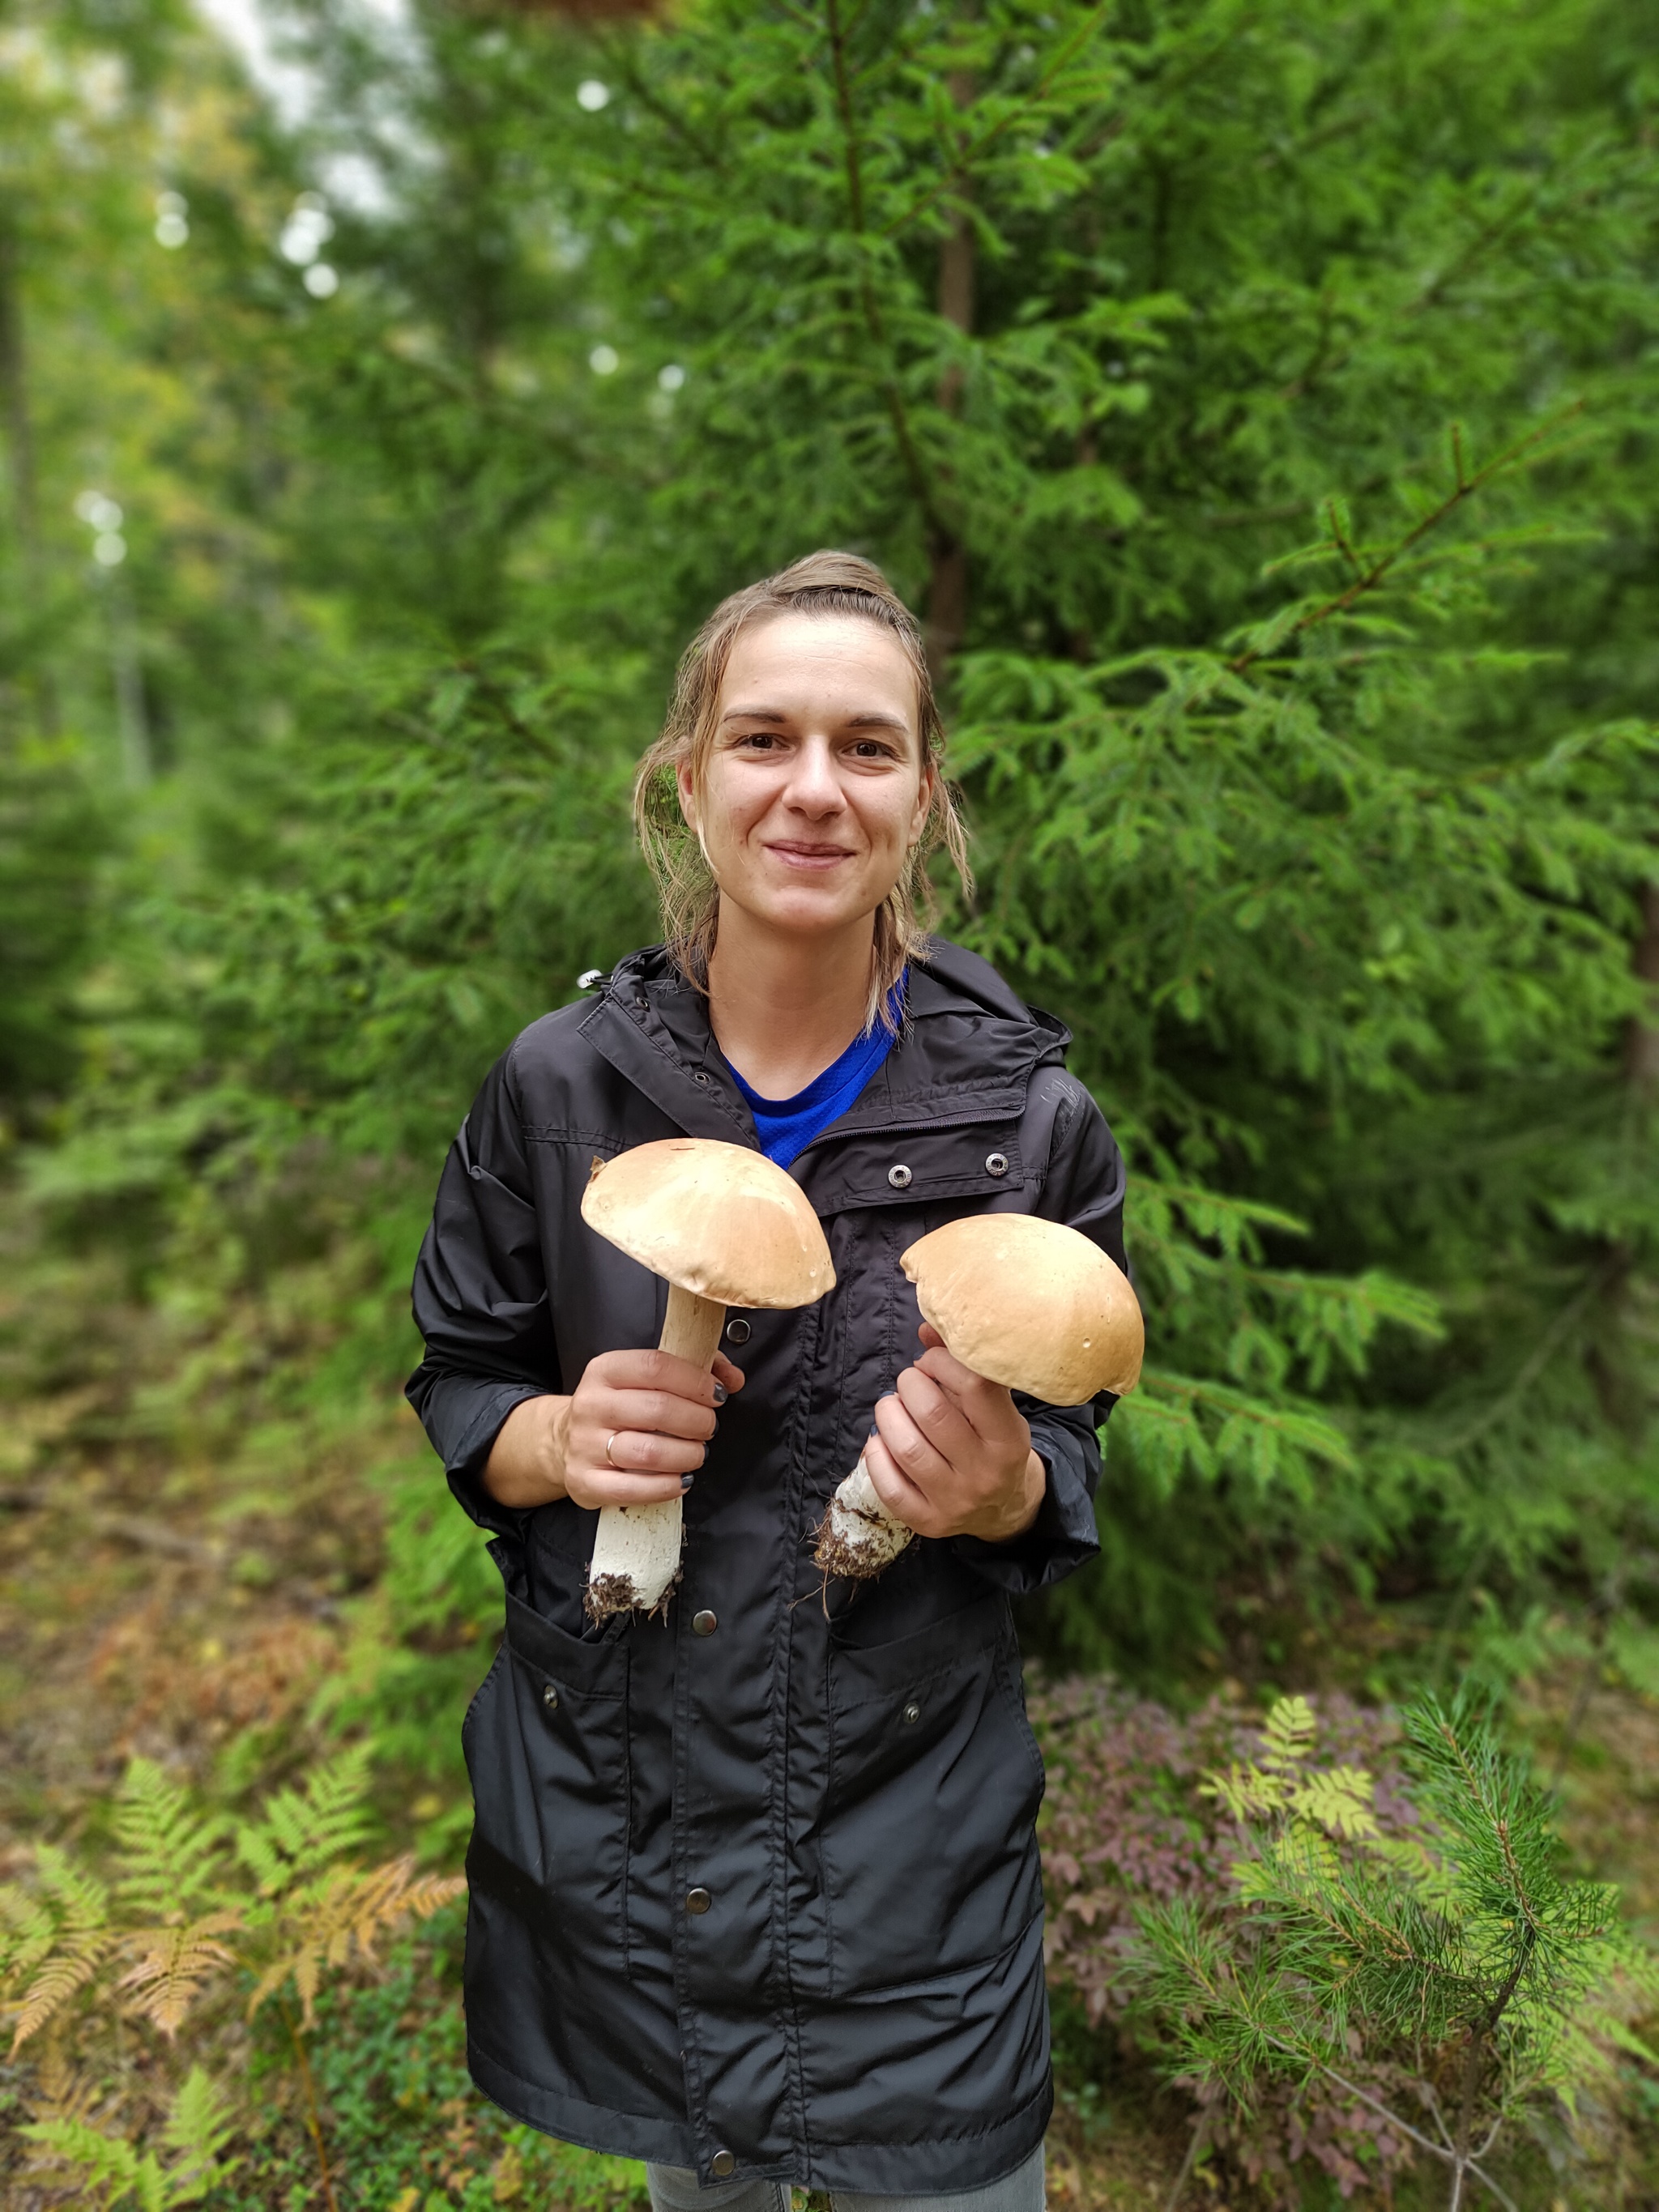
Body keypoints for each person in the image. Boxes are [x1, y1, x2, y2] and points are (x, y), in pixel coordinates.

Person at [406, 551, 1130, 2212]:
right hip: (644, 1833)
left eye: (866, 748)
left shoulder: (1029, 1122)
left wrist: (1007, 1485)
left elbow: (1071, 1456)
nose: (813, 788)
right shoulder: (558, 1084)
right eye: (764, 738)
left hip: (913, 1854)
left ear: (922, 793)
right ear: (688, 773)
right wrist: (552, 1437)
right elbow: (458, 1378)